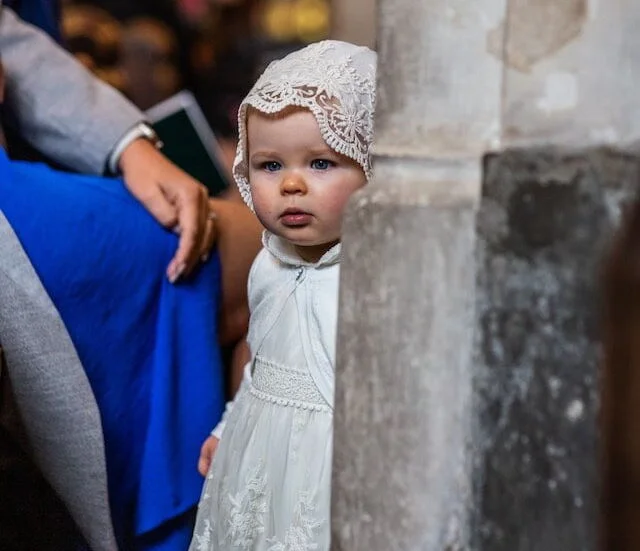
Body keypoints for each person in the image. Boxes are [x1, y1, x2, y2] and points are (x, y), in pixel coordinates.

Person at [189, 40, 376, 550]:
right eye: (270, 166)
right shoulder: (268, 264)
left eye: (320, 163)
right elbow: (260, 358)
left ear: (372, 168)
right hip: (261, 451)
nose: (291, 184)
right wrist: (229, 427)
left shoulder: (375, 281)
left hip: (331, 467)